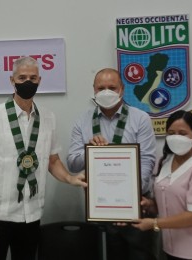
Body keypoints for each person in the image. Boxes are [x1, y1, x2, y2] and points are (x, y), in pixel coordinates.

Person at [0, 56, 87, 260]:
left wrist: (70, 178)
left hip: (31, 215)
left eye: (33, 78)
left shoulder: (48, 119)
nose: (27, 82)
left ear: (40, 80)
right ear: (11, 80)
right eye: (22, 77)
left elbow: (53, 161)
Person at [67, 68, 157, 260]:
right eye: (101, 88)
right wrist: (89, 150)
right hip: (99, 208)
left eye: (112, 87)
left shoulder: (140, 119)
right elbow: (73, 165)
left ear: (122, 89)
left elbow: (147, 161)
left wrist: (128, 200)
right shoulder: (82, 121)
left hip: (136, 209)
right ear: (94, 90)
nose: (106, 92)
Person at [132, 110, 192, 260]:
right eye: (171, 133)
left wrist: (154, 223)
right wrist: (149, 204)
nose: (176, 137)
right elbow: (168, 202)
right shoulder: (163, 162)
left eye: (182, 133)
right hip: (172, 250)